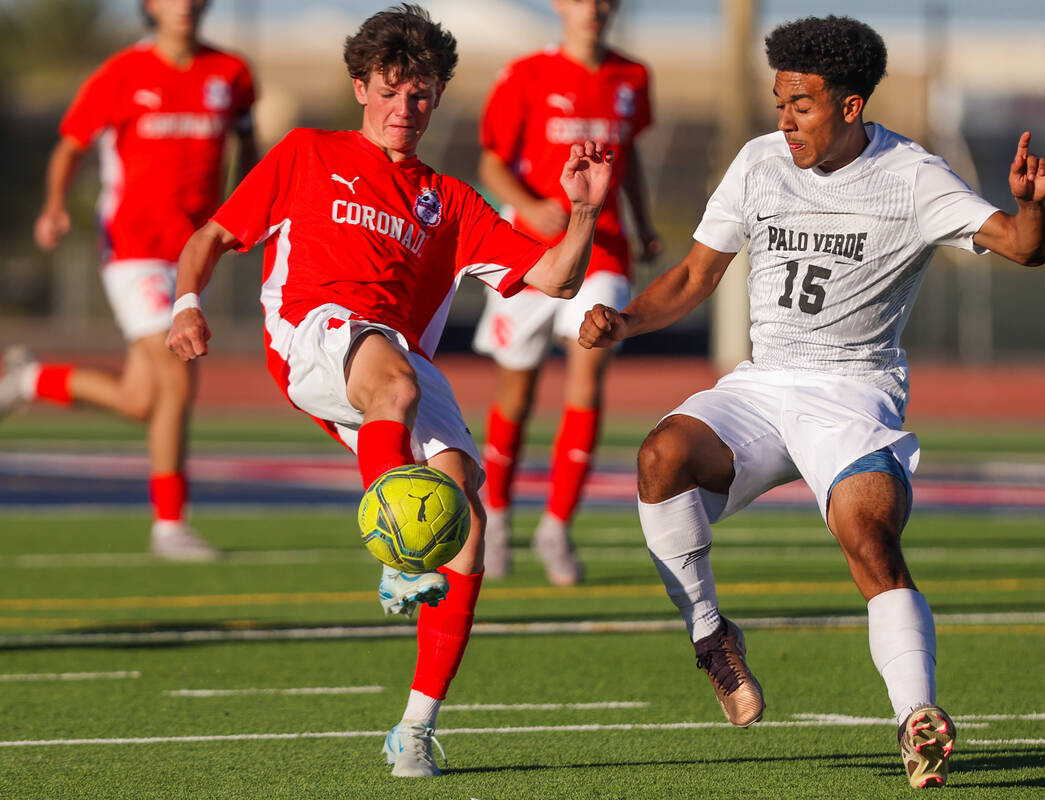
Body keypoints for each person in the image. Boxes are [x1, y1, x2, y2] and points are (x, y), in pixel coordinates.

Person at [579, 15, 1045, 789]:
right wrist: (627, 320)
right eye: (778, 101)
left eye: (801, 103)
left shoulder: (911, 175)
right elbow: (697, 277)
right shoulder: (759, 162)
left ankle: (917, 721)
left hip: (855, 397)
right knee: (660, 456)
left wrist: (1031, 205)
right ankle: (710, 635)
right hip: (764, 385)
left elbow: (1022, 245)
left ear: (850, 105)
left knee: (870, 542)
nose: (784, 120)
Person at [165, 5, 613, 779]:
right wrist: (186, 302)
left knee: (466, 514)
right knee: (396, 385)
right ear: (361, 87)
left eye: (423, 92)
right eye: (392, 88)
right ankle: (395, 555)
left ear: (437, 97)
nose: (406, 106)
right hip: (313, 334)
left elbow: (555, 277)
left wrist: (583, 212)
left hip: (390, 356)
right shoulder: (307, 153)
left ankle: (415, 727)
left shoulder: (453, 200)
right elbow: (211, 237)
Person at [0, 0, 256, 560]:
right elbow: (71, 142)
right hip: (133, 247)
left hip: (191, 254)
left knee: (145, 400)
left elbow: (249, 148)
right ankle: (170, 524)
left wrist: (252, 212)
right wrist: (54, 206)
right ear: (148, 7)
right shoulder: (122, 73)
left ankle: (31, 381)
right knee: (178, 370)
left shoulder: (231, 74)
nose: (184, 5)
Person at [471, 0, 659, 585]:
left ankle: (556, 526)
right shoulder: (525, 74)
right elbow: (492, 161)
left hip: (603, 249)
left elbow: (628, 163)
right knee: (517, 394)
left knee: (588, 373)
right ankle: (496, 519)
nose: (595, 9)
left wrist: (643, 222)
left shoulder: (633, 77)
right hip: (529, 254)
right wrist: (528, 207)